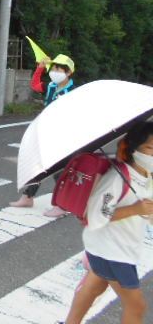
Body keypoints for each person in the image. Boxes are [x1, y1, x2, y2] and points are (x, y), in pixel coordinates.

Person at [60, 122, 153, 324]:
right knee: (136, 306)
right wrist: (136, 209)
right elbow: (96, 216)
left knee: (94, 287)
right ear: (133, 148)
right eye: (150, 148)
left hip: (119, 246)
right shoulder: (117, 178)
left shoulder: (146, 175)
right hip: (111, 250)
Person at [10, 54, 76, 217]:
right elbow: (35, 85)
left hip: (64, 135)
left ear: (68, 73)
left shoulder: (74, 91)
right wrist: (40, 68)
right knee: (38, 165)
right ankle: (28, 196)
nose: (54, 72)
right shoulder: (52, 86)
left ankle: (62, 205)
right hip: (46, 131)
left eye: (58, 69)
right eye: (53, 68)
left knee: (59, 170)